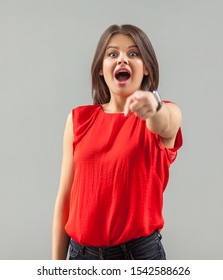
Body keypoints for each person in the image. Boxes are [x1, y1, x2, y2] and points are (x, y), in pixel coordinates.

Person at [52, 24, 183, 260]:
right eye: (113, 54)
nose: (123, 59)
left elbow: (167, 121)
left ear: (146, 69)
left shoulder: (160, 115)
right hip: (81, 257)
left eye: (133, 54)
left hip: (137, 257)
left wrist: (154, 105)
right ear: (101, 69)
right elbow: (65, 199)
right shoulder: (78, 119)